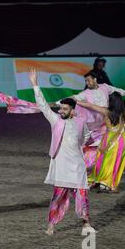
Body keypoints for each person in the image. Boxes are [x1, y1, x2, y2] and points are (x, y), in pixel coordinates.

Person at [29, 69, 95, 236]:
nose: (61, 111)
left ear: (72, 110)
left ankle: (86, 224)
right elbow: (43, 105)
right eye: (61, 108)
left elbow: (87, 136)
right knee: (58, 198)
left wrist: (79, 145)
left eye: (65, 109)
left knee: (82, 197)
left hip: (78, 167)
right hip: (62, 167)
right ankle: (51, 225)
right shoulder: (56, 120)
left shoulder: (81, 122)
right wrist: (35, 85)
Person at [53, 71, 125, 171]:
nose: (87, 83)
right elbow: (74, 97)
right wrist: (57, 102)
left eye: (88, 80)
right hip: (94, 124)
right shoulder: (85, 93)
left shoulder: (105, 87)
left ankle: (104, 166)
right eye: (86, 81)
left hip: (106, 121)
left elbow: (116, 90)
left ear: (95, 79)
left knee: (107, 143)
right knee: (89, 143)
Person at [77, 93, 125, 193]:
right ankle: (107, 184)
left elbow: (90, 105)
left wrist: (76, 101)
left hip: (109, 137)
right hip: (122, 140)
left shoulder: (106, 111)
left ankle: (102, 182)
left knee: (103, 159)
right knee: (116, 161)